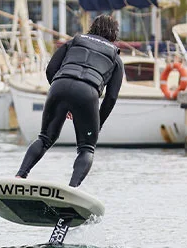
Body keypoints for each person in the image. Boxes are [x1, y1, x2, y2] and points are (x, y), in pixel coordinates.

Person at [15, 14, 124, 187]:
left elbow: (51, 69)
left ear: (92, 28)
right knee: (86, 148)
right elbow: (110, 98)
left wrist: (62, 94)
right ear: (114, 35)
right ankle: (71, 189)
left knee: (44, 138)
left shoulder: (75, 41)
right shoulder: (115, 58)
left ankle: (20, 176)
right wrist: (97, 125)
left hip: (59, 84)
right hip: (87, 93)